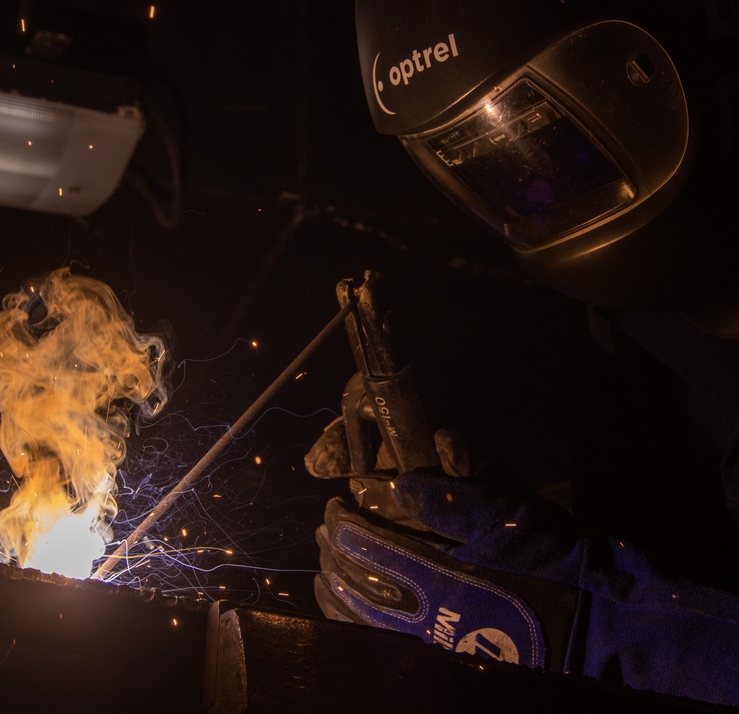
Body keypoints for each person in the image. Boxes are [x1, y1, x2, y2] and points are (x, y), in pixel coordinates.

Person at [308, 1, 739, 708]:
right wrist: (502, 537)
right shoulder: (641, 319)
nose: (542, 183)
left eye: (557, 143)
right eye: (499, 164)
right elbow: (664, 549)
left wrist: (601, 633)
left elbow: (624, 612)